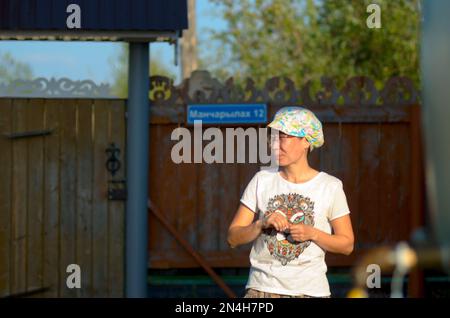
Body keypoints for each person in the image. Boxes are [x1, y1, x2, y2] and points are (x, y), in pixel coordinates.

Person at [227, 106, 354, 298]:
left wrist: (312, 233)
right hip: (261, 291)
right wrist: (260, 224)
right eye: (273, 137)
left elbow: (347, 245)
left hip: (311, 292)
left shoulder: (330, 186)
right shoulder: (261, 180)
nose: (275, 144)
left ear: (306, 141)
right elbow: (233, 238)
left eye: (284, 137)